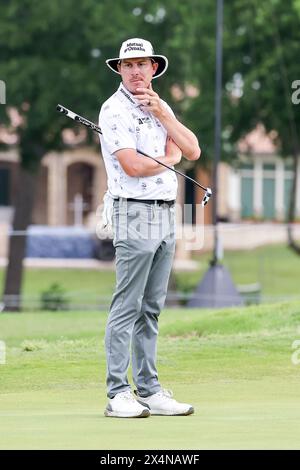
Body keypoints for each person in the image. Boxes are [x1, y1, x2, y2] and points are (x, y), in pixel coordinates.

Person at [99, 38, 201, 418]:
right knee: (127, 304)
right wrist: (168, 157)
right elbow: (133, 166)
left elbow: (192, 151)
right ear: (120, 70)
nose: (136, 71)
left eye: (143, 64)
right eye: (129, 65)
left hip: (165, 212)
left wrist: (165, 116)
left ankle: (150, 389)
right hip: (134, 212)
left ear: (154, 68)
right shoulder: (113, 110)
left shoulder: (161, 105)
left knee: (152, 307)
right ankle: (118, 393)